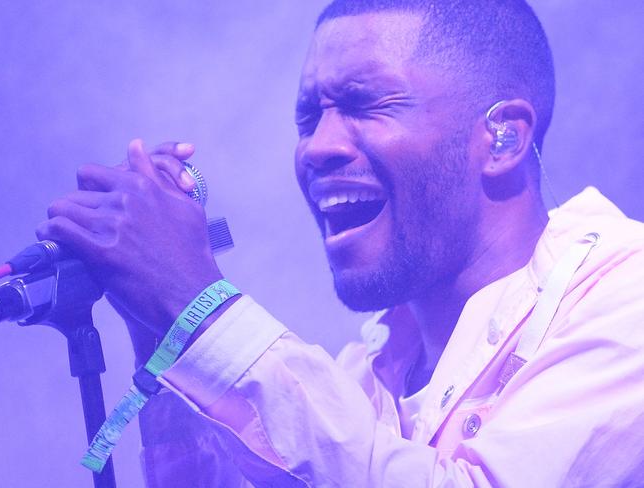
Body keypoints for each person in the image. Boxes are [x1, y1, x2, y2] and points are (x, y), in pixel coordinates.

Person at [37, 0, 644, 486]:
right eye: (309, 118)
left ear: (503, 139)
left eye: (365, 104)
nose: (318, 147)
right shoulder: (364, 377)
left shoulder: (627, 298)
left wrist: (200, 307)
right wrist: (161, 325)